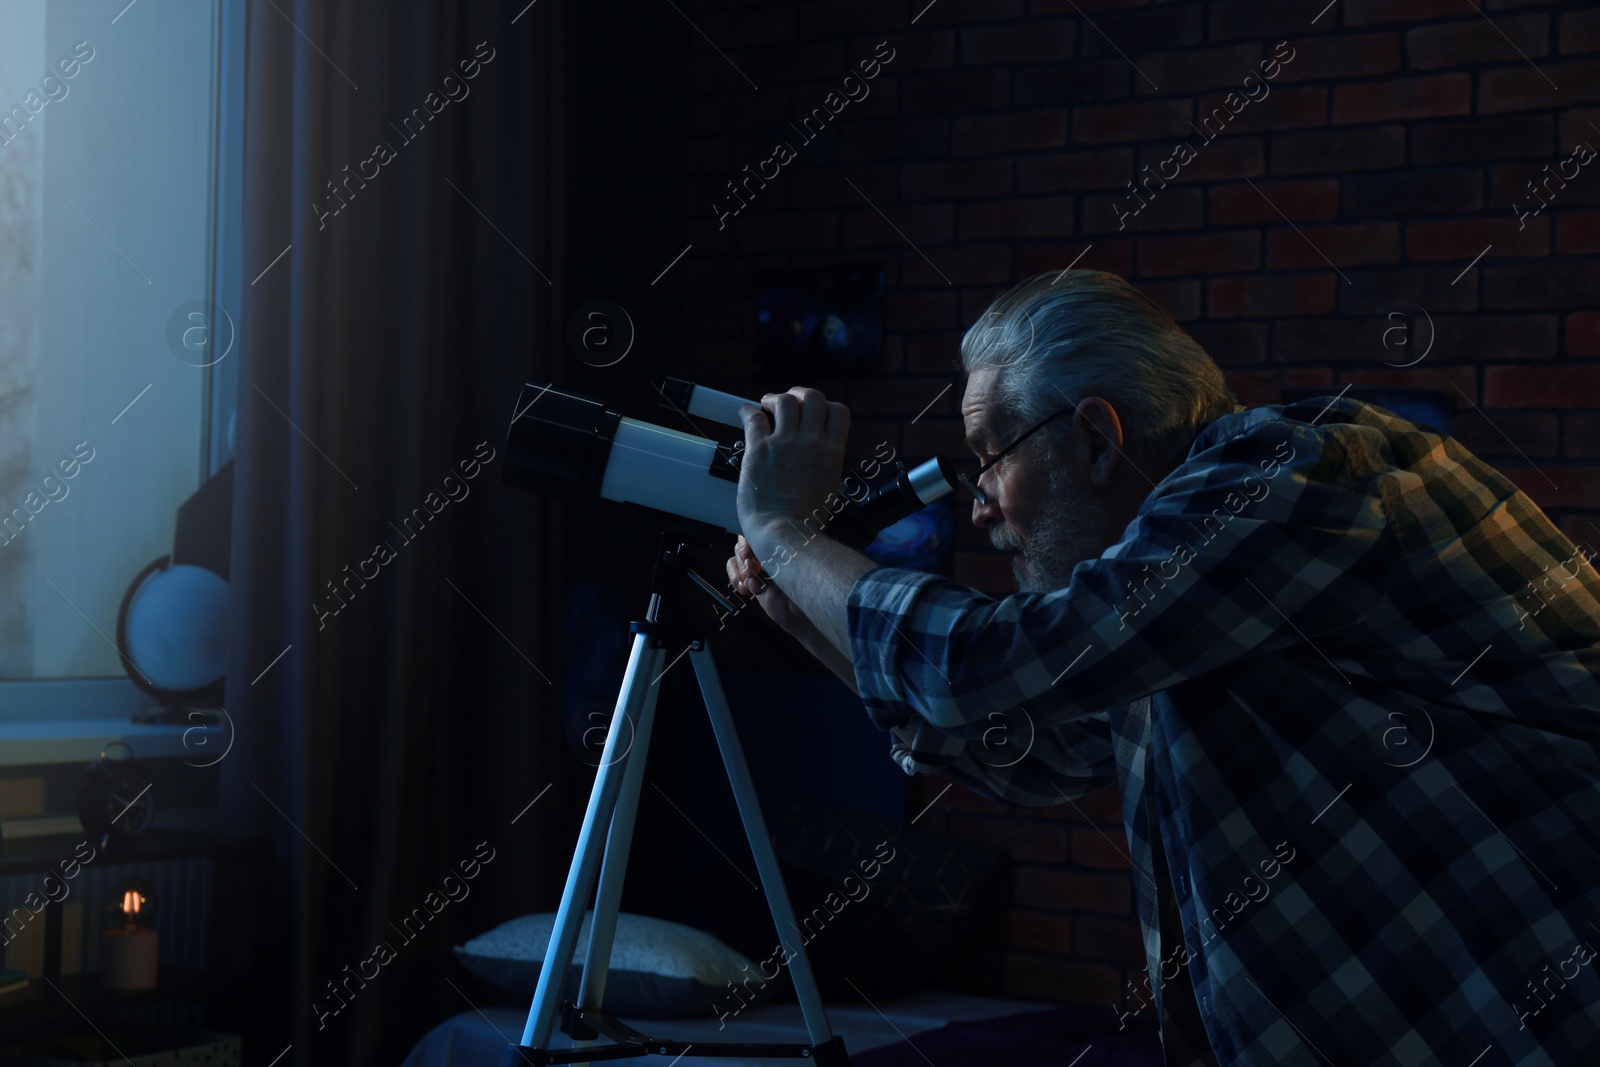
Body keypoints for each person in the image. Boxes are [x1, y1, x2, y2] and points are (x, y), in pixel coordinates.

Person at [721, 269, 1600, 1065]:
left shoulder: (1299, 467)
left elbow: (982, 666)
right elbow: (1028, 747)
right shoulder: (1168, 614)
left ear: (1098, 440)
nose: (979, 505)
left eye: (989, 456)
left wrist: (786, 531)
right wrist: (796, 609)